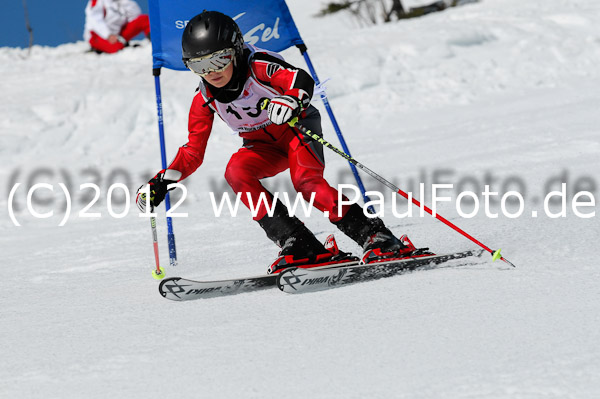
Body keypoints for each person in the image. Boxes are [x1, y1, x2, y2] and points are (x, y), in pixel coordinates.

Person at [136, 11, 426, 273]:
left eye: (218, 59)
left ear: (235, 50)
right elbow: (192, 151)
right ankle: (299, 243)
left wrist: (291, 99)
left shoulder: (258, 66)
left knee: (306, 183)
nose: (211, 71)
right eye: (198, 65)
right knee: (236, 171)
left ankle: (376, 236)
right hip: (263, 147)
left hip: (298, 131)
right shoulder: (204, 99)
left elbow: (299, 79)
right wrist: (164, 180)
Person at [83, 0, 150, 54]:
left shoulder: (121, 2)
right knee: (116, 47)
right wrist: (108, 35)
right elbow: (94, 20)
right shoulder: (98, 1)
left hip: (118, 35)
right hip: (97, 35)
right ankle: (100, 48)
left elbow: (135, 15)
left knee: (145, 19)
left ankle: (154, 42)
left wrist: (125, 2)